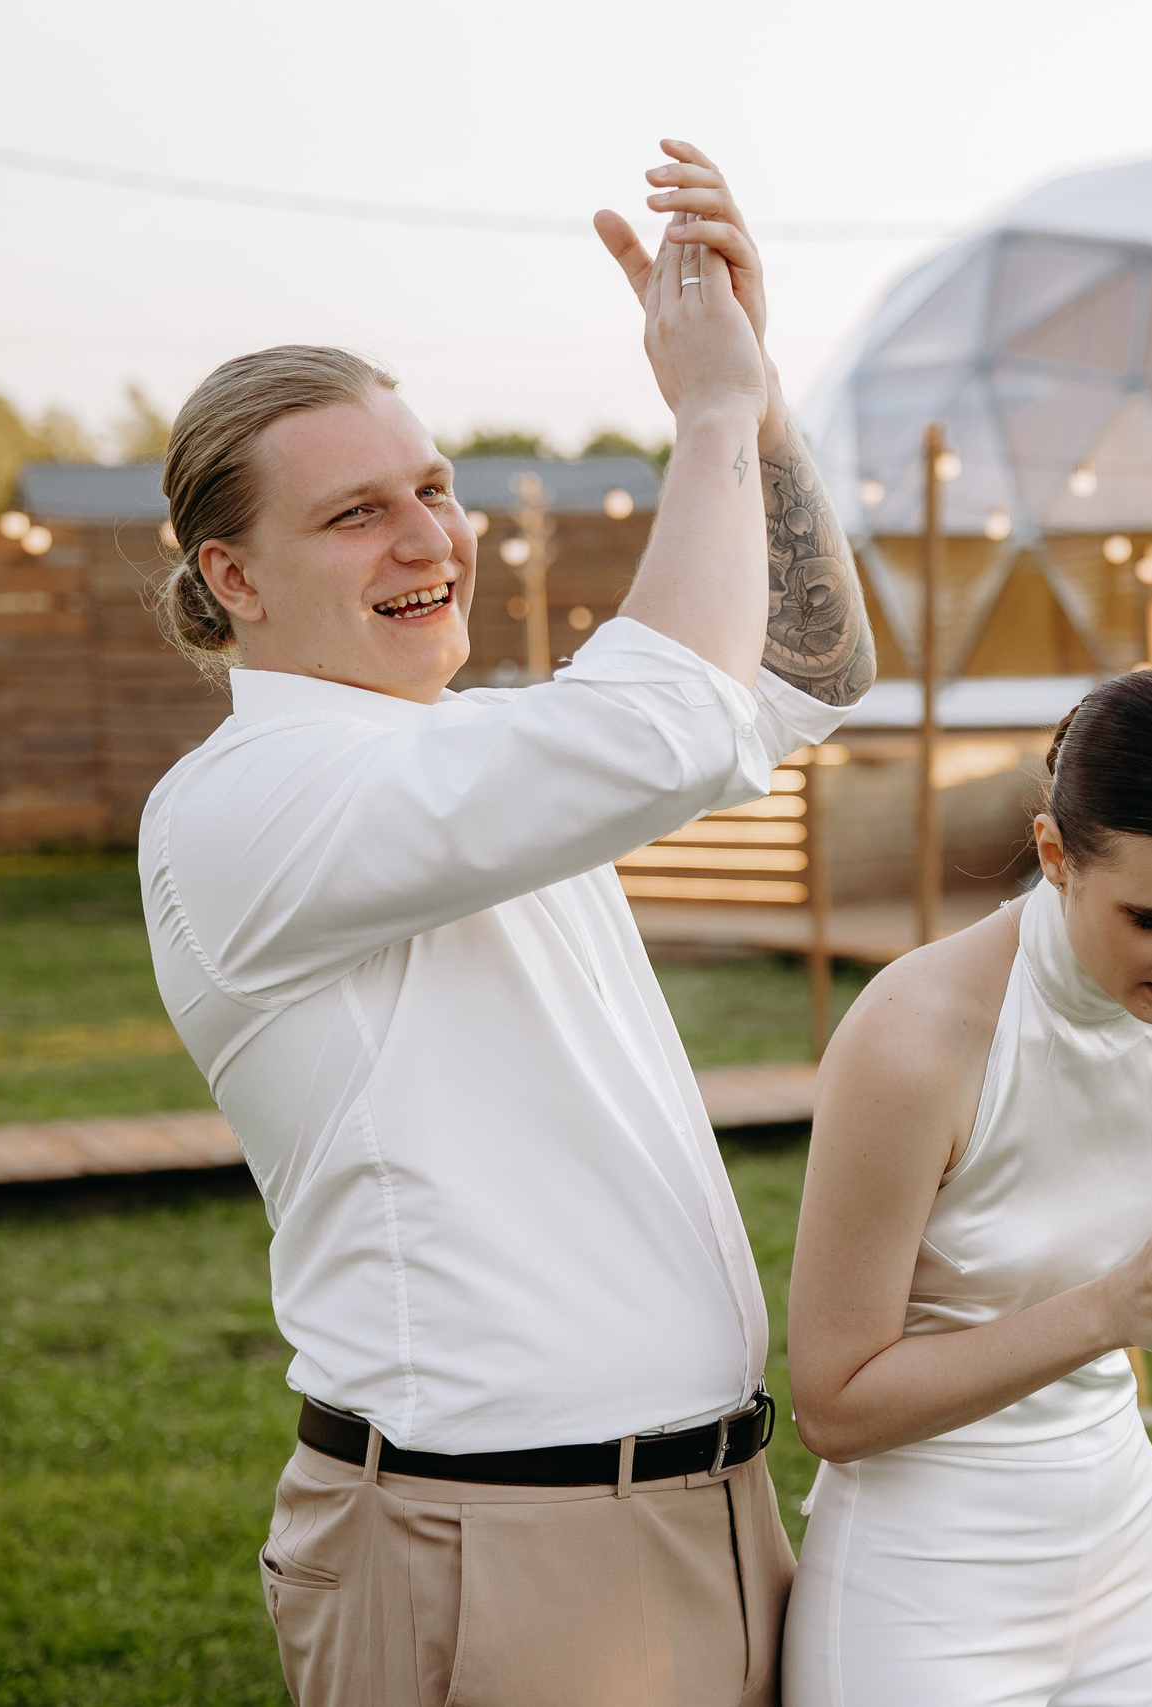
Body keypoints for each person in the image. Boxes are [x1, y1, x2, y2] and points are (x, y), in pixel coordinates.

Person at [138, 142, 871, 1707]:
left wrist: (760, 395)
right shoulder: (245, 800)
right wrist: (712, 417)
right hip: (493, 1537)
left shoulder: (463, 752)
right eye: (355, 513)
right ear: (234, 576)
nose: (429, 538)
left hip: (711, 1506)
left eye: (436, 486)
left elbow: (810, 669)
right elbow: (663, 726)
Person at [782, 667, 1152, 1706]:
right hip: (924, 1583)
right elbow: (832, 1404)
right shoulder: (917, 1038)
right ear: (1053, 854)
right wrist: (1106, 1311)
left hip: (1117, 1547)